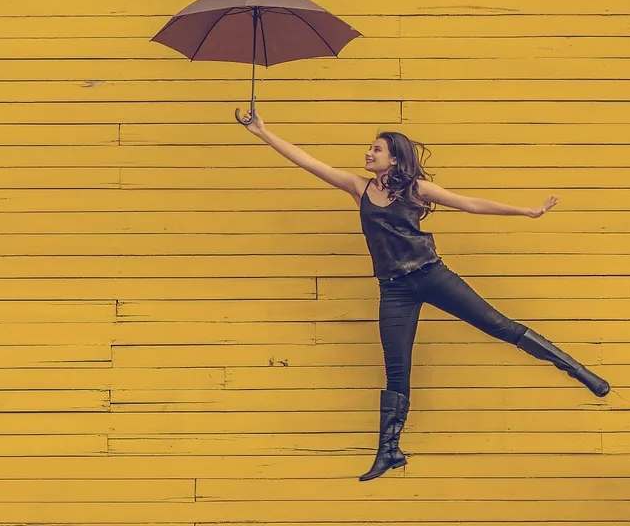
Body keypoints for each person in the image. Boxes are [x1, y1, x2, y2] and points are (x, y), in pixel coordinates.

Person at [236, 109, 610, 482]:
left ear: (394, 158)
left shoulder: (416, 188)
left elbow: (469, 203)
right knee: (396, 371)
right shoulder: (358, 187)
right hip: (394, 289)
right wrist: (262, 133)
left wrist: (526, 211)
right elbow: (307, 161)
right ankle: (389, 451)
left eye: (376, 149)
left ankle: (578, 370)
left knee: (498, 325)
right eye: (370, 148)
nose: (368, 153)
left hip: (432, 275)